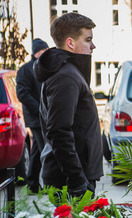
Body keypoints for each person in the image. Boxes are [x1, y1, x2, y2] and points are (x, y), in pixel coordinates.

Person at [34, 13, 103, 197]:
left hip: (75, 176)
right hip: (70, 182)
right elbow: (59, 131)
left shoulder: (68, 72)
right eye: (88, 40)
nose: (93, 45)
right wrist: (77, 181)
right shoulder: (66, 77)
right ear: (70, 43)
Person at [16, 38, 49, 194]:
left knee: (37, 149)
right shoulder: (25, 70)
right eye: (43, 51)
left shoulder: (45, 66)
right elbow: (22, 93)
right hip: (36, 118)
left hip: (44, 116)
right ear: (36, 52)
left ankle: (32, 184)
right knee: (45, 149)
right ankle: (50, 186)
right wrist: (39, 109)